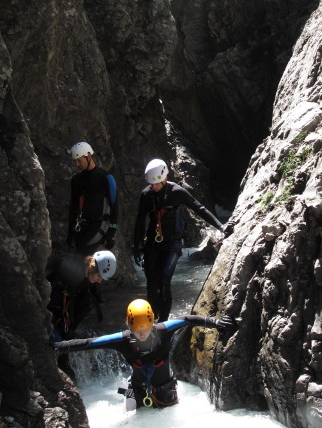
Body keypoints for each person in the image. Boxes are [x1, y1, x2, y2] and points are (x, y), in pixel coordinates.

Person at [51, 298, 235, 410]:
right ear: (129, 326)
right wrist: (59, 346)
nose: (142, 335)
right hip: (137, 391)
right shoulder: (123, 340)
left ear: (152, 323)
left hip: (165, 391)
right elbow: (90, 343)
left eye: (146, 330)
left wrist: (216, 322)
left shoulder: (163, 330)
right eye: (138, 332)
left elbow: (187, 319)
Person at [133, 159, 231, 321]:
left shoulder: (177, 192)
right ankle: (152, 319)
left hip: (172, 244)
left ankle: (163, 322)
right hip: (152, 243)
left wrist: (221, 227)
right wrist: (137, 246)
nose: (154, 187)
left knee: (164, 282)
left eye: (156, 184)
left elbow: (200, 209)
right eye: (151, 184)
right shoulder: (147, 194)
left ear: (164, 178)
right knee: (152, 285)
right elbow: (140, 221)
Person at [47, 250, 117, 341]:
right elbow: (50, 262)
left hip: (62, 303)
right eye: (99, 276)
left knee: (90, 300)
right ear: (92, 267)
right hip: (51, 300)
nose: (99, 281)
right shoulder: (72, 268)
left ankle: (69, 331)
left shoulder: (88, 278)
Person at [66, 142, 118, 256]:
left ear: (89, 156)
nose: (77, 164)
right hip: (81, 226)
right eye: (75, 161)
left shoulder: (105, 177)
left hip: (98, 226)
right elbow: (73, 207)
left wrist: (111, 233)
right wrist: (70, 233)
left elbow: (114, 205)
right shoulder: (76, 180)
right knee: (78, 258)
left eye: (79, 160)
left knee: (81, 257)